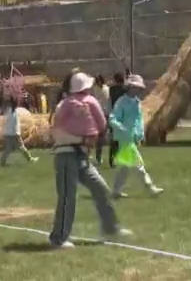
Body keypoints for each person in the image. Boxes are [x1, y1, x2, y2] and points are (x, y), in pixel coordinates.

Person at [48, 71, 130, 249]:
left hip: (82, 156)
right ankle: (59, 237)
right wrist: (81, 140)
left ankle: (111, 227)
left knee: (100, 188)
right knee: (67, 197)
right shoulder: (64, 105)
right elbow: (56, 132)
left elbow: (100, 125)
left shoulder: (85, 104)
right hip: (66, 155)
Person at [110, 74, 163, 198]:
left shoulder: (137, 103)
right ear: (129, 87)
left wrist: (140, 133)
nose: (137, 90)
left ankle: (116, 190)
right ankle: (150, 187)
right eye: (135, 87)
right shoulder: (121, 102)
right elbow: (113, 118)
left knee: (125, 166)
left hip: (132, 138)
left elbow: (139, 120)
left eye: (139, 88)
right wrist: (121, 127)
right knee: (139, 165)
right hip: (125, 139)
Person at [0, 96, 38, 166]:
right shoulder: (14, 111)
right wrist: (17, 134)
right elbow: (13, 124)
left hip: (8, 133)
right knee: (21, 147)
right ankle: (30, 158)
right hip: (14, 133)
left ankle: (2, 162)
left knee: (8, 149)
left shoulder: (9, 111)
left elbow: (6, 121)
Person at [91, 74, 112, 165]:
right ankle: (100, 158)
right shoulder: (106, 88)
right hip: (105, 113)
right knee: (101, 137)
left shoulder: (100, 89)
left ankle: (99, 158)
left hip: (103, 114)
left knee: (100, 138)